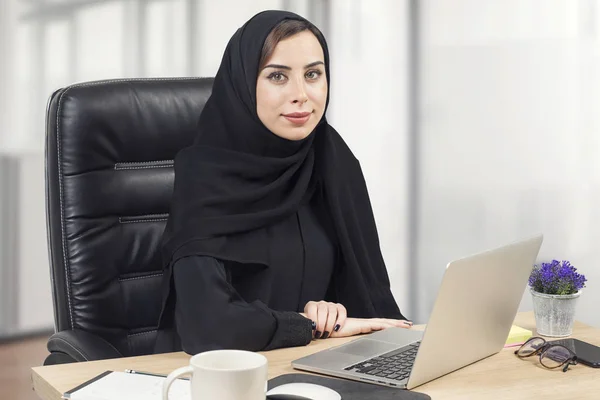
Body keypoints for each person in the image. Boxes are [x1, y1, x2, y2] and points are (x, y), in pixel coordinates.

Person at [154, 10, 412, 356]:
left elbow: (366, 297)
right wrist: (306, 325)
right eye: (278, 76)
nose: (301, 94)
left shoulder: (331, 159)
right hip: (224, 375)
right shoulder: (203, 176)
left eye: (313, 74)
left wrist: (330, 316)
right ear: (244, 84)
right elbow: (208, 324)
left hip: (316, 364)